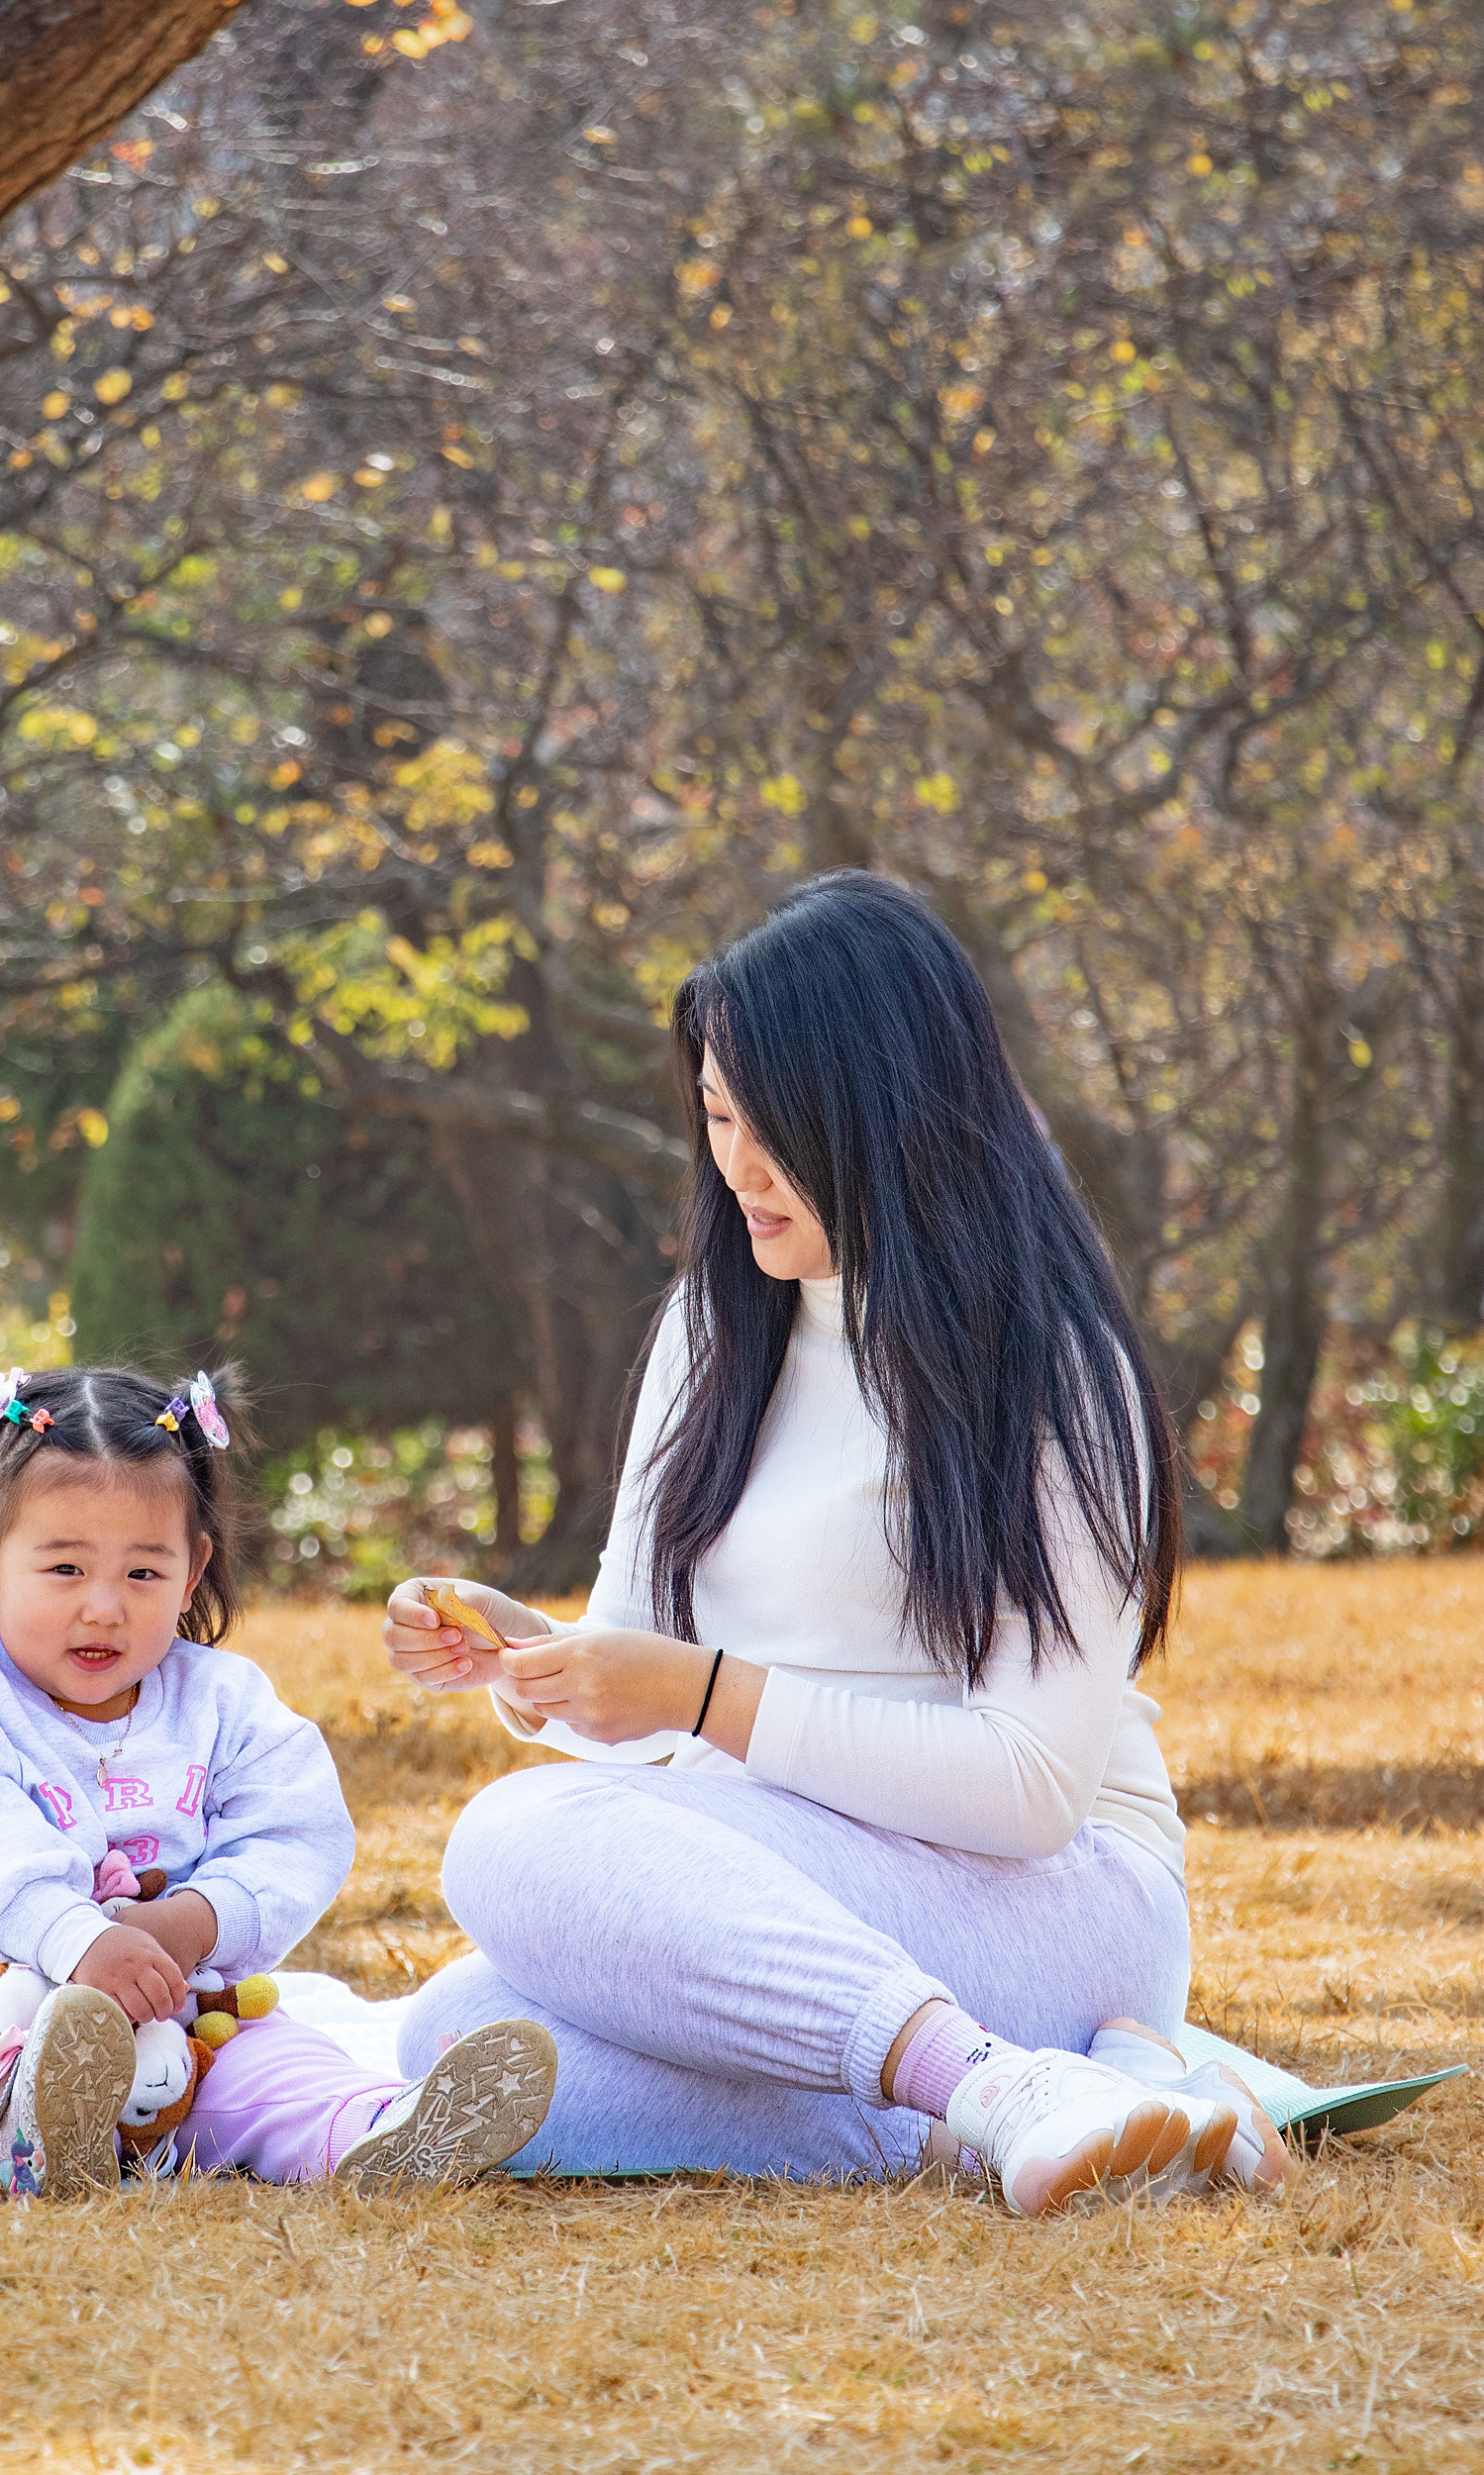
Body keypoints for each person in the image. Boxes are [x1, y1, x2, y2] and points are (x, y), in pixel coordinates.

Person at [384, 872, 1286, 2215]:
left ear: (885, 1115)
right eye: (716, 1117)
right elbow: (634, 1703)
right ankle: (1041, 2108)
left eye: (774, 1128)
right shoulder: (712, 1329)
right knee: (459, 2035)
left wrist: (707, 1697)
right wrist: (539, 1662)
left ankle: (993, 2078)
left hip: (1052, 1900)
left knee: (511, 1839)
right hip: (796, 1875)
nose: (737, 1168)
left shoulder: (1050, 1371)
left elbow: (1028, 1789)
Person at [0, 1362, 555, 2198]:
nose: (104, 1607)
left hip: (196, 2021)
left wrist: (196, 1921)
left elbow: (295, 1833)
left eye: (142, 1574)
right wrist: (76, 1939)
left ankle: (380, 2131)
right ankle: (26, 2132)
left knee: (282, 2070)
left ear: (192, 1570)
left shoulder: (224, 1701)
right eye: (65, 1570)